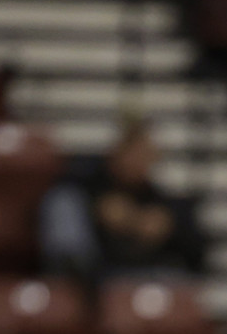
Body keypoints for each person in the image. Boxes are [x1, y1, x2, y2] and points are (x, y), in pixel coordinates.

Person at [40, 119, 204, 280]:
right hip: (92, 273)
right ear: (120, 151)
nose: (140, 162)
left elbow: (197, 255)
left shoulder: (158, 200)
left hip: (140, 275)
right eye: (135, 153)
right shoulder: (87, 177)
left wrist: (169, 228)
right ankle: (69, 278)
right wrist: (96, 207)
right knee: (64, 201)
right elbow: (57, 187)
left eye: (147, 156)